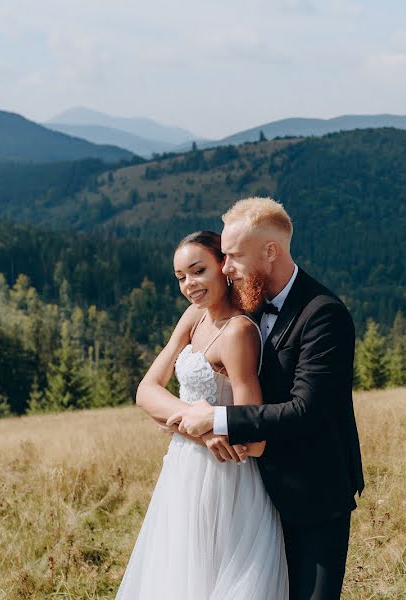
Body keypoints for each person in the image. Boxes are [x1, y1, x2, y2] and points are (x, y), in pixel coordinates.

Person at [168, 197, 365, 600]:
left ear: (270, 252)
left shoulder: (324, 314)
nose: (225, 268)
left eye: (234, 256)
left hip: (312, 497)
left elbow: (306, 411)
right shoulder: (246, 304)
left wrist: (217, 420)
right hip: (253, 498)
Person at [116, 230, 289, 599]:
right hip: (184, 467)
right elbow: (146, 391)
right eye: (181, 277)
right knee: (177, 575)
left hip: (222, 478)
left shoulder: (239, 332)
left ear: (223, 267)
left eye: (198, 271)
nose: (189, 284)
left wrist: (201, 426)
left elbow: (254, 437)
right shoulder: (194, 317)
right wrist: (199, 427)